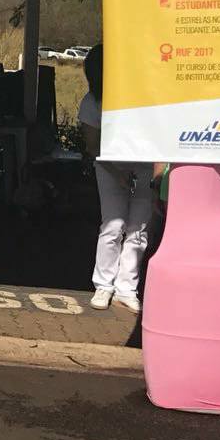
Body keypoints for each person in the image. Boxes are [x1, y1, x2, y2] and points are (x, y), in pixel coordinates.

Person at [80, 44, 153, 313]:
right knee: (113, 225)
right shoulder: (92, 102)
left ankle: (127, 288)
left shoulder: (143, 97)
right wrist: (118, 173)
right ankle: (104, 285)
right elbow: (92, 146)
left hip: (143, 167)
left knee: (139, 229)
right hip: (110, 168)